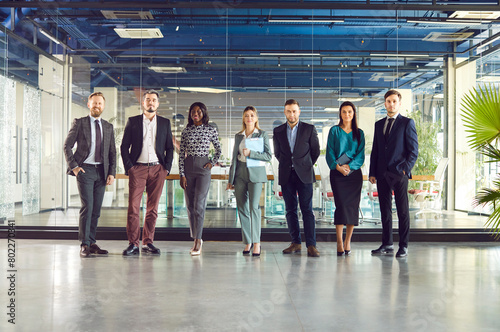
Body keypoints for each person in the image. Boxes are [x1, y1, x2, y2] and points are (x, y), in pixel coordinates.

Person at [120, 89, 174, 256]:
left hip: (158, 169)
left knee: (153, 208)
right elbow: (124, 147)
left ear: (158, 104)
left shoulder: (165, 123)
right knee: (134, 208)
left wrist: (166, 168)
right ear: (143, 103)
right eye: (148, 100)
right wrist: (130, 167)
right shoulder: (133, 121)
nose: (151, 103)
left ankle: (148, 242)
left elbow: (169, 148)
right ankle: (133, 244)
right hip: (138, 169)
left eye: (154, 100)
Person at [64, 92, 116, 257]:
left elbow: (112, 152)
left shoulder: (108, 127)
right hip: (85, 170)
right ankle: (84, 244)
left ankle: (92, 242)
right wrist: (75, 167)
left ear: (103, 106)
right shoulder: (79, 123)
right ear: (88, 104)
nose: (97, 106)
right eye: (94, 103)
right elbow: (67, 146)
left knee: (96, 210)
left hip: (101, 172)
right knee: (87, 207)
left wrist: (111, 173)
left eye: (100, 103)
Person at [369, 89, 418, 258]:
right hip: (382, 173)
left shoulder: (407, 123)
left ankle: (403, 245)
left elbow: (413, 151)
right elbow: (375, 150)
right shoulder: (378, 124)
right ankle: (387, 244)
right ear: (384, 104)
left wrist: (405, 169)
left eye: (394, 101)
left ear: (399, 103)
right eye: (388, 101)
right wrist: (372, 172)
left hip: (399, 173)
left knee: (403, 211)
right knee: (385, 210)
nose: (391, 104)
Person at [273, 99, 321, 257]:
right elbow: (278, 153)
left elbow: (315, 152)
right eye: (288, 111)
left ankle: (311, 245)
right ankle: (295, 242)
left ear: (299, 112)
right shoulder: (278, 131)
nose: (291, 114)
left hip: (304, 174)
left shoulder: (309, 129)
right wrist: (290, 164)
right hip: (287, 174)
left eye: (294, 111)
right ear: (285, 112)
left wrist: (304, 165)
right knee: (290, 210)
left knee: (307, 209)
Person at [227, 106, 271, 256]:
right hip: (240, 172)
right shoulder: (239, 136)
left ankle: (257, 242)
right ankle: (248, 241)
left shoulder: (262, 134)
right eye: (246, 115)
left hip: (256, 173)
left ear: (256, 118)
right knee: (242, 208)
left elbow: (268, 156)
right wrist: (230, 179)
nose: (249, 118)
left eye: (252, 115)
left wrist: (251, 153)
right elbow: (234, 159)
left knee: (253, 207)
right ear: (243, 118)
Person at [179, 102, 221, 256]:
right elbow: (181, 154)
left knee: (199, 205)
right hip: (188, 168)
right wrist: (182, 174)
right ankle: (194, 238)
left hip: (203, 169)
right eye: (193, 111)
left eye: (198, 111)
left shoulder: (211, 130)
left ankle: (198, 239)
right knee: (190, 206)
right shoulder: (186, 131)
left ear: (203, 113)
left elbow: (218, 148)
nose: (195, 113)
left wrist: (212, 162)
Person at [326, 101, 365, 256]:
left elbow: (361, 154)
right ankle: (339, 241)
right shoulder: (334, 131)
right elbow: (329, 152)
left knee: (352, 208)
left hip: (354, 174)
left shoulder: (359, 133)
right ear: (340, 114)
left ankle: (348, 241)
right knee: (341, 206)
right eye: (344, 112)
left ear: (354, 113)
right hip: (337, 173)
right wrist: (338, 167)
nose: (347, 115)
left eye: (350, 112)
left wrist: (350, 167)